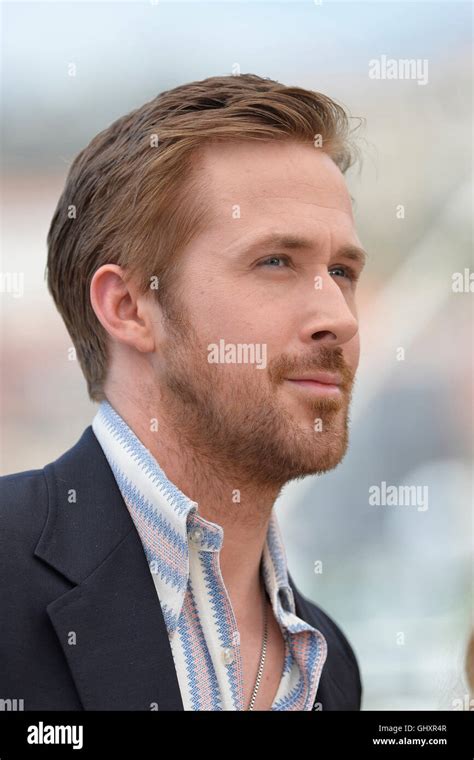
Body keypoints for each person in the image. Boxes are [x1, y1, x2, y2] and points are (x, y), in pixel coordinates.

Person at [0, 74, 366, 711]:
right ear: (129, 307)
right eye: (276, 261)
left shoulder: (330, 664)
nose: (339, 315)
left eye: (342, 271)